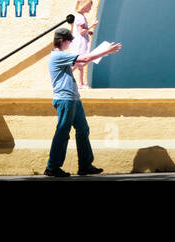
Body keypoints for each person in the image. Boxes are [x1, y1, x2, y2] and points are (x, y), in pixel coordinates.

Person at [45, 27, 121, 177]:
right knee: (62, 132)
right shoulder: (57, 55)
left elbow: (78, 64)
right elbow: (84, 59)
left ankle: (85, 165)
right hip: (65, 99)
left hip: (73, 99)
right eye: (69, 42)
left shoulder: (62, 56)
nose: (70, 44)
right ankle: (52, 167)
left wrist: (100, 53)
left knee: (83, 130)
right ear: (62, 41)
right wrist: (106, 51)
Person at [70, 0, 99, 87]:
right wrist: (91, 26)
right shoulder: (80, 18)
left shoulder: (80, 17)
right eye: (89, 6)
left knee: (80, 65)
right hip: (80, 43)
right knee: (79, 63)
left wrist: (88, 31)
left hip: (79, 41)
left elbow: (82, 31)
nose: (90, 8)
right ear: (84, 6)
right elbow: (81, 31)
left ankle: (81, 83)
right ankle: (64, 77)